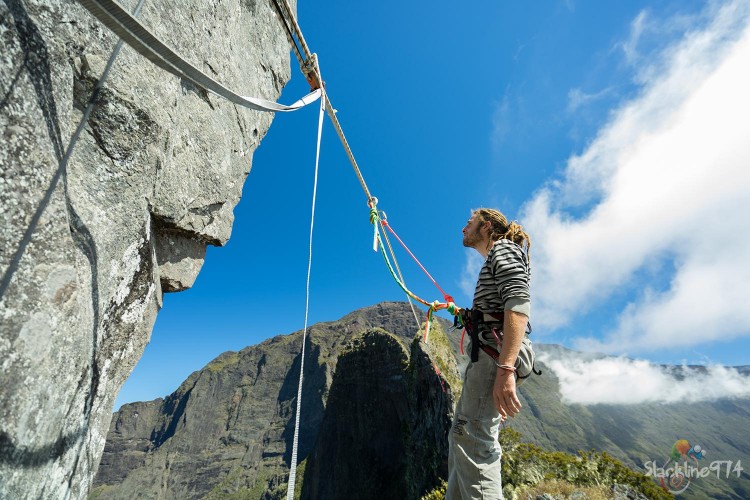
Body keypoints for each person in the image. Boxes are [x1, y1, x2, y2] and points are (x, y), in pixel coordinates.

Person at [446, 208, 532, 499]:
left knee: (473, 439)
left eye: (468, 223)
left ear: (485, 226)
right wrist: (464, 314)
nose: (463, 228)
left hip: (494, 358)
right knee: (462, 435)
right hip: (489, 355)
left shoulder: (504, 250)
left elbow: (518, 303)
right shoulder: (496, 258)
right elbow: (496, 308)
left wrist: (506, 369)